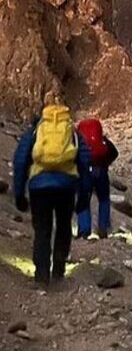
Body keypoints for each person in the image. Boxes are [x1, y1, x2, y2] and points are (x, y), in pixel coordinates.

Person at [13, 95, 90, 285]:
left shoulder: (36, 130)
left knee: (42, 230)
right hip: (66, 186)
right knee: (63, 227)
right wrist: (84, 196)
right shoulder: (72, 132)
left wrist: (19, 192)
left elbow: (21, 160)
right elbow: (84, 163)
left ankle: (41, 274)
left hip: (39, 187)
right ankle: (58, 270)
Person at [75, 117, 119, 239]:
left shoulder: (79, 142)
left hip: (85, 173)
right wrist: (105, 163)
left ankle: (84, 231)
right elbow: (114, 153)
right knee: (104, 200)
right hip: (101, 172)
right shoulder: (102, 141)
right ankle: (103, 228)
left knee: (84, 200)